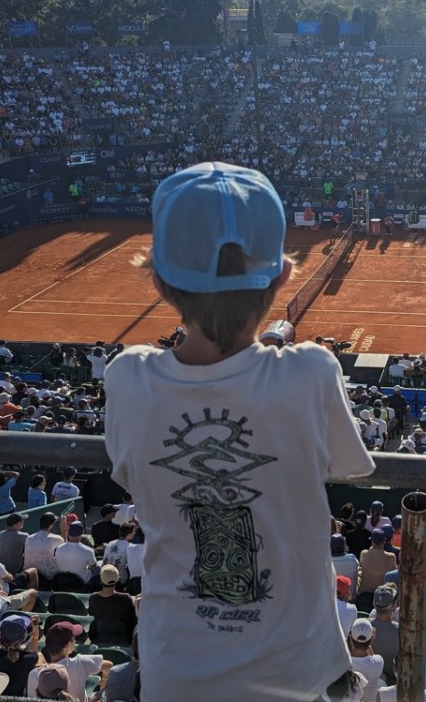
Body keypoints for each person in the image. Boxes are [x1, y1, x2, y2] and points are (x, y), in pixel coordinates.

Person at [103, 161, 376, 699]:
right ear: (282, 278)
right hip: (298, 665)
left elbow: (129, 475)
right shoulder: (312, 371)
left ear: (158, 281)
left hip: (173, 668)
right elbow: (345, 467)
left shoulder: (127, 377)